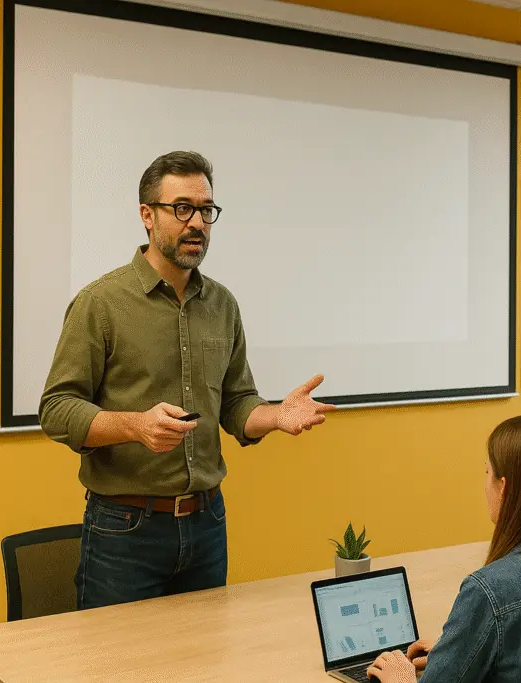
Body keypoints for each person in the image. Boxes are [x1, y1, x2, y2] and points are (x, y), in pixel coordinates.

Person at [39, 151, 335, 609]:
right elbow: (58, 409)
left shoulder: (222, 304)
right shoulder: (100, 303)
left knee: (206, 651)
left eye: (205, 210)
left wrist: (276, 415)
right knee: (117, 654)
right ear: (147, 215)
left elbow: (235, 404)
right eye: (182, 209)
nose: (196, 222)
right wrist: (136, 426)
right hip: (125, 529)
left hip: (206, 523)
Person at [364, 415, 521, 683]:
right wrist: (454, 654)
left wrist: (401, 678)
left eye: (487, 472)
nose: (485, 483)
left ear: (503, 488)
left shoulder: (488, 590)